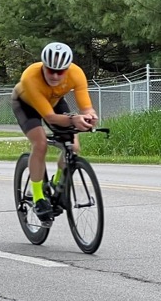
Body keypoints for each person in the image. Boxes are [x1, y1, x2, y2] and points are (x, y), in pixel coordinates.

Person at [11, 42, 98, 221]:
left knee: (73, 147)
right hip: (26, 104)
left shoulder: (76, 73)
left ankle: (57, 183)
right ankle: (38, 197)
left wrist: (90, 116)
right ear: (43, 66)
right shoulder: (30, 77)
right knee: (40, 143)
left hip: (54, 101)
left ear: (68, 69)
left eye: (61, 71)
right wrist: (74, 119)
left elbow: (86, 106)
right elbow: (50, 117)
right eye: (51, 70)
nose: (56, 76)